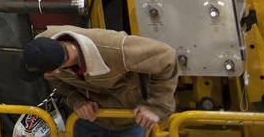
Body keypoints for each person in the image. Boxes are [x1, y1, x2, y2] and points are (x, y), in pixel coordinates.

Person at [22, 26, 178, 136]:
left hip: (127, 119)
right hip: (90, 119)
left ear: (57, 69)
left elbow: (167, 58)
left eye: (49, 72)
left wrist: (156, 106)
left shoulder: (116, 49)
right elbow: (55, 80)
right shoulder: (43, 47)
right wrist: (77, 101)